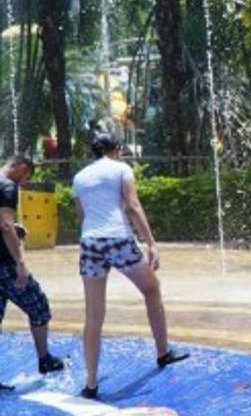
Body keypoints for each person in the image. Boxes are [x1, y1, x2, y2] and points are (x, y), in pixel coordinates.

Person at [74, 132, 188, 400]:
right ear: (116, 149)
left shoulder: (79, 177)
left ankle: (91, 383)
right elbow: (133, 206)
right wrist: (151, 243)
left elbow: (82, 214)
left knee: (93, 314)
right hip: (118, 239)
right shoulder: (121, 169)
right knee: (151, 289)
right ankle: (163, 352)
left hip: (90, 242)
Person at [0, 156, 63, 391]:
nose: (25, 182)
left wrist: (12, 228)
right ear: (21, 168)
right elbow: (5, 225)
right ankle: (45, 360)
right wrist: (20, 264)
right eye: (27, 177)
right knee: (39, 307)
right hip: (5, 265)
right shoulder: (7, 186)